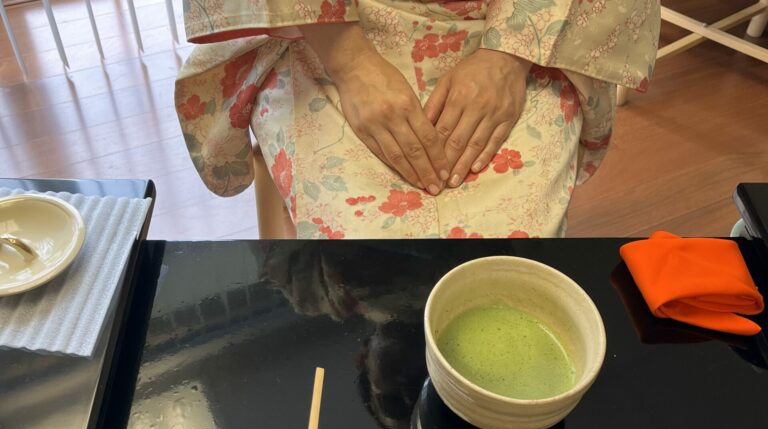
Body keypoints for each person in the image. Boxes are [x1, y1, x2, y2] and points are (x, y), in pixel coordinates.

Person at [175, 0, 660, 239]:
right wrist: (350, 62)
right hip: (326, 23)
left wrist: (509, 55)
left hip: (526, 25)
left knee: (512, 248)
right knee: (361, 249)